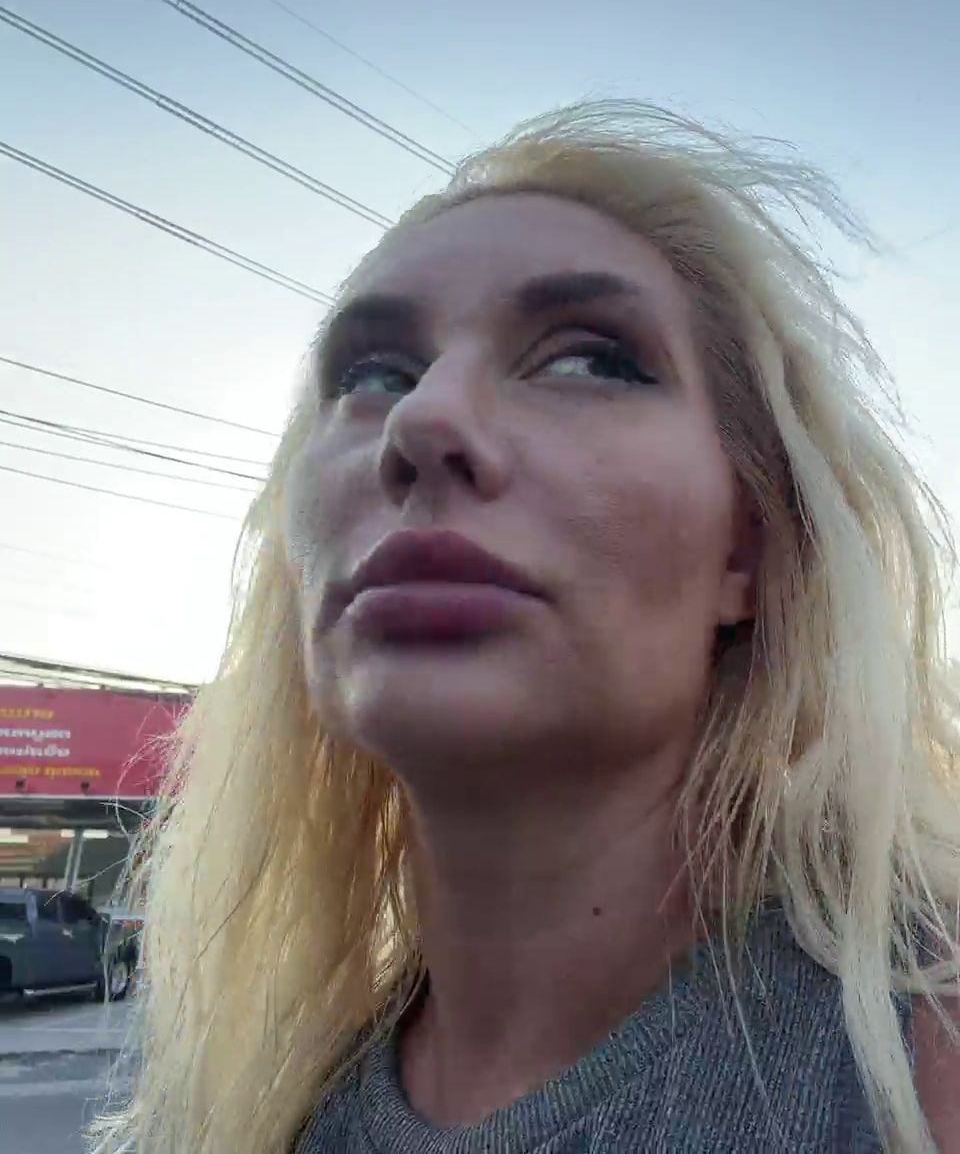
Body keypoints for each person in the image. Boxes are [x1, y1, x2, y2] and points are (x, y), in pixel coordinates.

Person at [90, 102, 960, 1154]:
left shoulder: (924, 1054)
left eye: (587, 360)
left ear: (748, 549)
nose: (421, 419)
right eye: (371, 376)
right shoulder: (255, 1113)